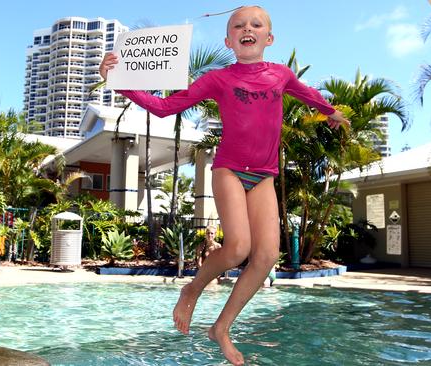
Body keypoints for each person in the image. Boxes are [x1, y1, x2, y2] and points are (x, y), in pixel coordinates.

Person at [99, 5, 350, 365]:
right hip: (230, 169)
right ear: (228, 39)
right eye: (238, 25)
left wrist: (331, 112)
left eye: (256, 24)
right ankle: (192, 288)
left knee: (264, 258)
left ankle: (221, 327)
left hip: (263, 175)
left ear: (269, 37)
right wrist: (119, 82)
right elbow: (166, 107)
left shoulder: (280, 74)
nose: (247, 28)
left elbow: (307, 93)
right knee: (237, 248)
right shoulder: (218, 79)